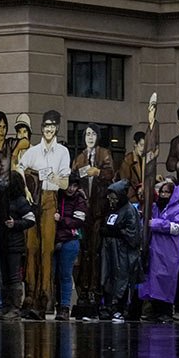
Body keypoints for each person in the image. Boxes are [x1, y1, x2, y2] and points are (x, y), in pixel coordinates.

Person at [16, 110, 70, 317]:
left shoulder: (62, 152)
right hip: (32, 199)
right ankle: (29, 298)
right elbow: (18, 168)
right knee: (30, 248)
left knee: (46, 250)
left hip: (50, 198)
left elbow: (65, 183)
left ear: (56, 128)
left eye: (53, 125)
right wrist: (27, 188)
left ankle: (44, 301)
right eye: (46, 125)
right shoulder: (33, 151)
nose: (49, 129)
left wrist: (53, 177)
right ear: (42, 127)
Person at [70, 125, 115, 315]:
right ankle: (83, 290)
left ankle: (96, 292)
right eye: (87, 134)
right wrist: (82, 174)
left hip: (99, 211)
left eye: (93, 134)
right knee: (83, 253)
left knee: (96, 253)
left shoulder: (104, 153)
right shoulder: (80, 157)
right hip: (82, 213)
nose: (90, 137)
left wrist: (97, 172)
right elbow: (72, 177)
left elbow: (111, 173)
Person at [138, 178, 179, 320]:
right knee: (154, 280)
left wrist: (157, 224)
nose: (164, 195)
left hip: (169, 251)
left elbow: (177, 228)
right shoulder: (154, 208)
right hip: (155, 250)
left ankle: (166, 312)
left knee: (167, 281)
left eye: (167, 192)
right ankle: (156, 311)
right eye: (162, 192)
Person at [0, 171, 37, 320]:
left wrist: (15, 224)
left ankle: (15, 308)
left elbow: (31, 219)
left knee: (13, 276)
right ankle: (5, 306)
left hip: (14, 244)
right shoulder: (2, 199)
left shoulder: (20, 201)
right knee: (4, 276)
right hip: (2, 242)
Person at [99, 180, 142, 321]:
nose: (112, 200)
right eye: (110, 198)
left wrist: (117, 232)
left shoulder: (130, 210)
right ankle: (109, 306)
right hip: (110, 251)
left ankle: (119, 307)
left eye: (114, 197)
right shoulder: (114, 209)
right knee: (109, 277)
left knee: (122, 278)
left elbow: (134, 235)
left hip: (123, 252)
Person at [53, 185, 87, 320]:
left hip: (69, 240)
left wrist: (60, 219)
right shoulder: (57, 196)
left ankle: (65, 307)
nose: (71, 188)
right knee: (55, 276)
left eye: (74, 185)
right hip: (56, 239)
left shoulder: (79, 199)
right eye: (69, 184)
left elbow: (79, 222)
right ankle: (58, 305)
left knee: (65, 275)